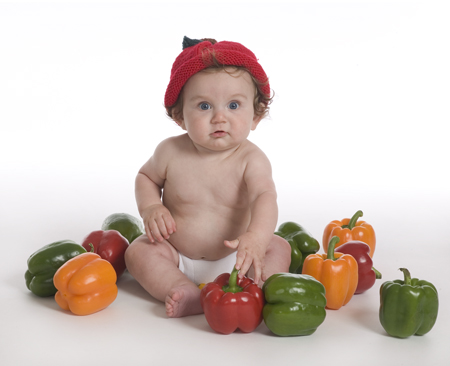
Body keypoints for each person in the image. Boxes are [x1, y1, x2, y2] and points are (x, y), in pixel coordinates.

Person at [125, 37, 291, 318]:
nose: (219, 118)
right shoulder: (170, 151)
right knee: (138, 252)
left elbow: (265, 196)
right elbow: (145, 177)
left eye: (234, 106)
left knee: (278, 246)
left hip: (237, 258)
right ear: (180, 116)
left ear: (256, 116)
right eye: (204, 106)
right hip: (177, 256)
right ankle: (181, 289)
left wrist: (257, 237)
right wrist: (151, 207)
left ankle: (261, 288)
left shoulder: (251, 159)